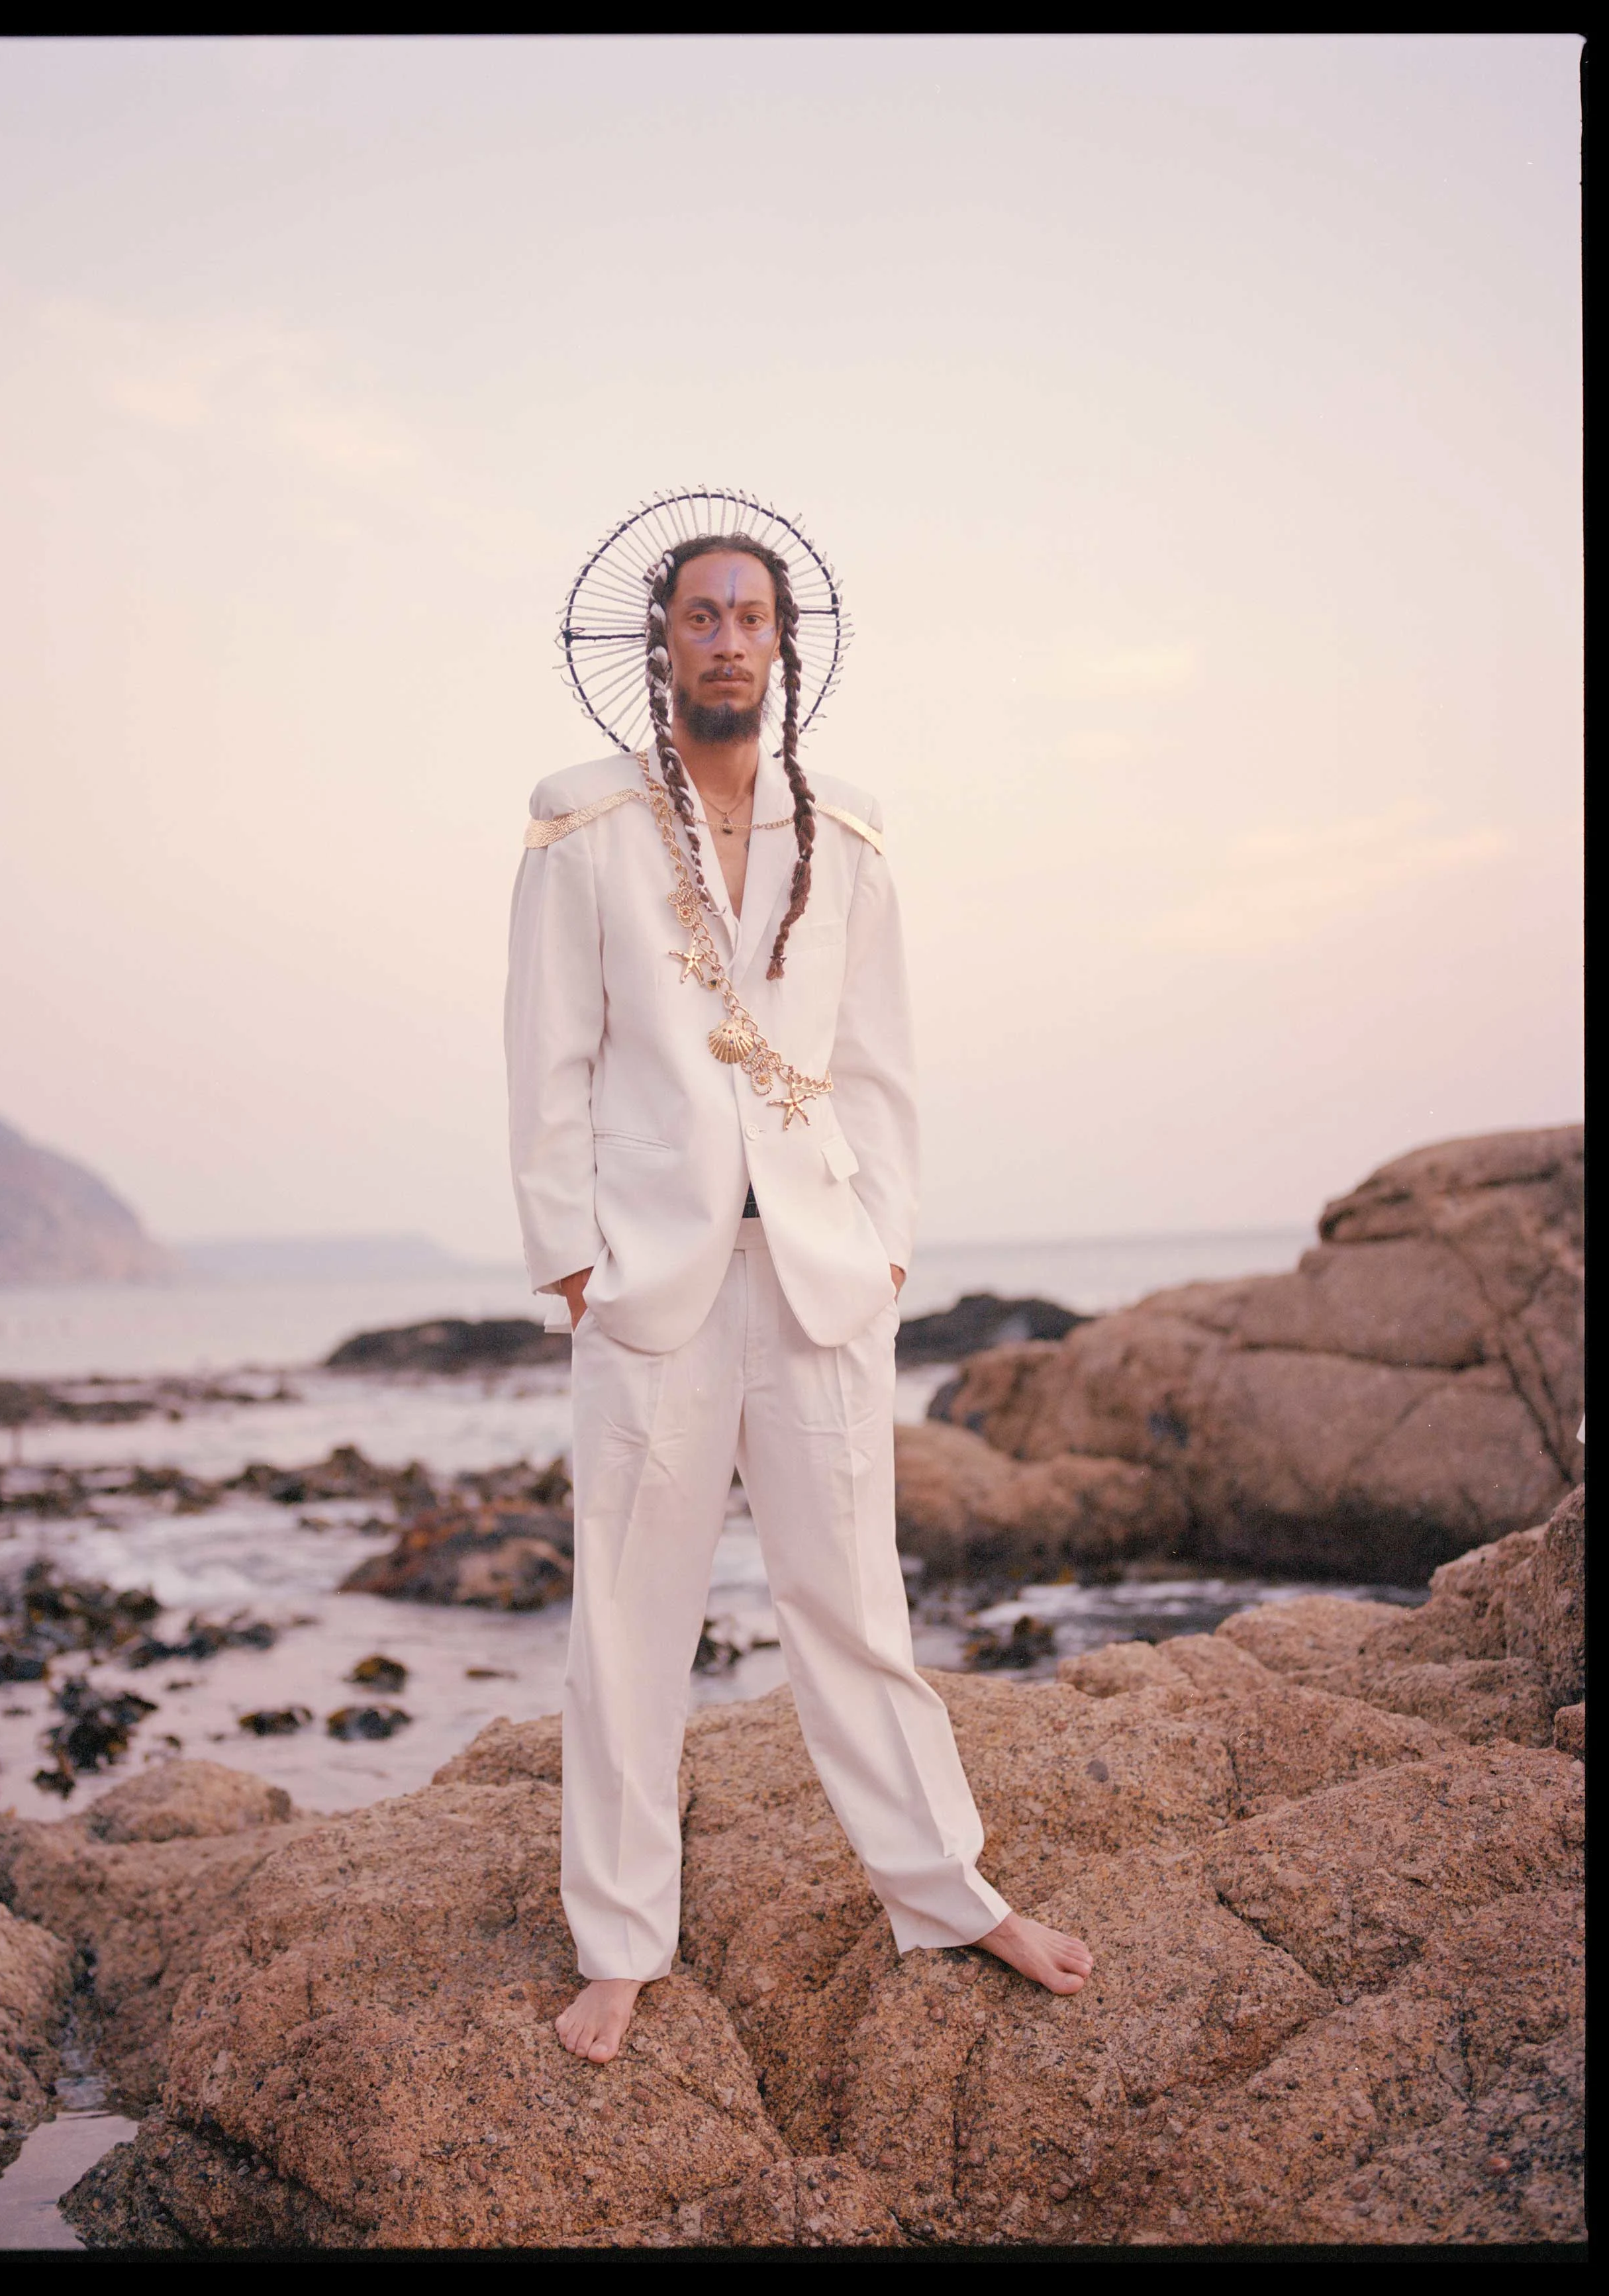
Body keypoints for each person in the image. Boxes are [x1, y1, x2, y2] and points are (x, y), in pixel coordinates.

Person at [505, 524, 1093, 2065]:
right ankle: (619, 1945)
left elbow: (881, 1066)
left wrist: (885, 1247)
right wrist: (571, 1262)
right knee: (627, 1622)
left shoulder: (852, 837)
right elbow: (549, 1057)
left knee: (855, 1611)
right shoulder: (584, 825)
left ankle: (950, 1894)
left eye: (749, 617)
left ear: (782, 643)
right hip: (653, 1284)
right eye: (700, 615)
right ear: (660, 637)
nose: (725, 639)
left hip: (822, 1275)